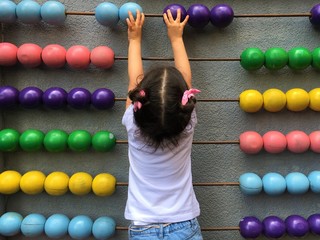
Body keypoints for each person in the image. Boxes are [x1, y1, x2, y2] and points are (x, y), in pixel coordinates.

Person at [122, 8, 203, 240]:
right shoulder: (185, 125)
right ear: (184, 103)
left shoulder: (134, 124)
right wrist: (176, 38)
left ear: (140, 100)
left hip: (143, 227)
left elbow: (132, 80)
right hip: (184, 226)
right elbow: (186, 80)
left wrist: (134, 39)